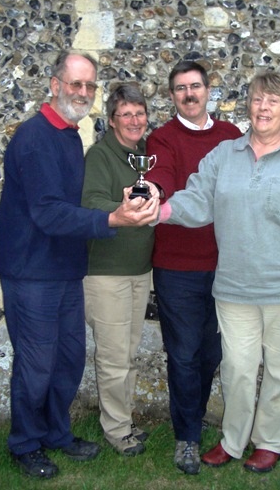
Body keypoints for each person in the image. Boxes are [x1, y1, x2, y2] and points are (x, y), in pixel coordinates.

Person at [155, 71, 280, 474]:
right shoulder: (225, 154)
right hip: (234, 289)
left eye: (273, 101)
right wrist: (160, 210)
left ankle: (271, 442)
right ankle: (233, 440)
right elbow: (198, 200)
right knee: (237, 371)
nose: (263, 107)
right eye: (258, 99)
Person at [0, 50, 159, 479]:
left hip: (66, 269)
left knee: (68, 359)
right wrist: (111, 219)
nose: (82, 92)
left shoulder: (68, 134)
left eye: (89, 86)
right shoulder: (33, 138)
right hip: (30, 272)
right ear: (55, 85)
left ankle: (56, 433)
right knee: (37, 364)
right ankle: (25, 443)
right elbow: (48, 213)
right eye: (75, 84)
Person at [145, 60, 242, 475]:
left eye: (196, 86)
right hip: (178, 267)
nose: (189, 94)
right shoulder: (162, 138)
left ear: (208, 91)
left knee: (212, 354)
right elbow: (161, 172)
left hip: (229, 266)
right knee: (183, 354)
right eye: (181, 88)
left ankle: (194, 416)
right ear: (172, 96)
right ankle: (187, 437)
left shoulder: (232, 136)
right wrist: (154, 190)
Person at [82, 83, 154, 456]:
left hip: (140, 270)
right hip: (106, 273)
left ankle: (123, 419)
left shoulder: (143, 155)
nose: (134, 120)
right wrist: (124, 210)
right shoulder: (100, 156)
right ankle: (116, 430)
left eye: (139, 113)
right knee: (112, 357)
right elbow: (91, 202)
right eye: (126, 114)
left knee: (128, 352)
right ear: (112, 120)